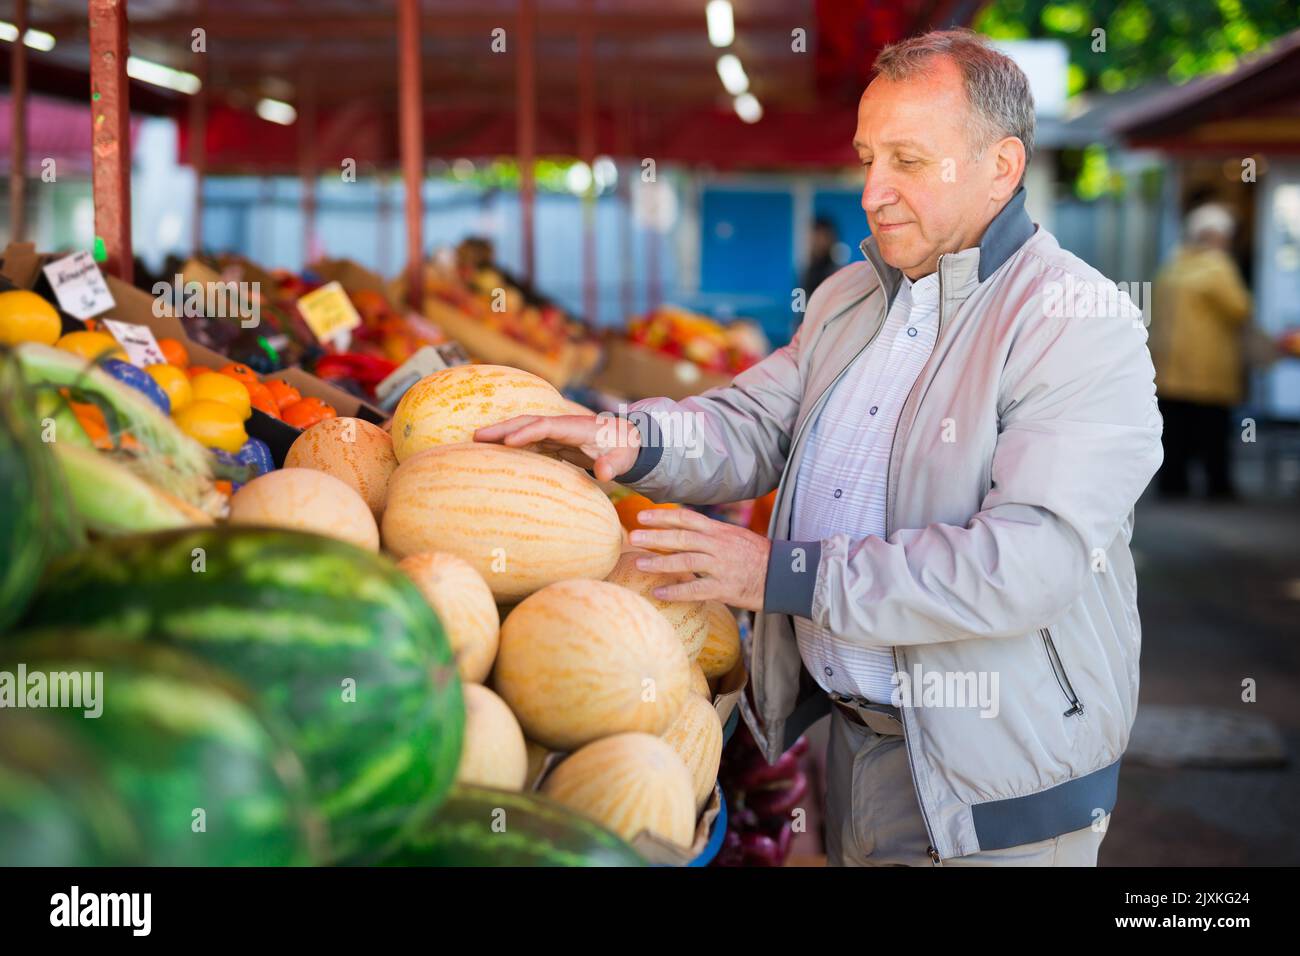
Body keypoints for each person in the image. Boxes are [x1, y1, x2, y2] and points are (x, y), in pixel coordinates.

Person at [476, 29, 1163, 867]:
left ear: (1002, 167)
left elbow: (1026, 563)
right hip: (855, 744)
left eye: (908, 160)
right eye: (868, 156)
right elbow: (754, 422)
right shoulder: (852, 295)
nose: (873, 190)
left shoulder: (1074, 323)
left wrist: (781, 575)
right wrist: (630, 436)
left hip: (999, 785)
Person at [1149, 203, 1253, 499]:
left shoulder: (1173, 264)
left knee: (1175, 431)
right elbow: (1240, 308)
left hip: (1170, 364)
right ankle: (1217, 486)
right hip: (1209, 367)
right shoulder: (1217, 267)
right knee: (1213, 432)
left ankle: (1172, 483)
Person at [801, 216, 841, 299]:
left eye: (823, 237)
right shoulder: (807, 273)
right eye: (816, 237)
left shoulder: (837, 273)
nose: (819, 242)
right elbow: (800, 306)